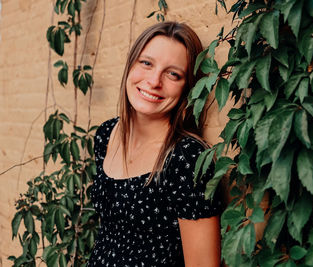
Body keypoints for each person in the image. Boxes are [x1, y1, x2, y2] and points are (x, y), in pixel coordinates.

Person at [88, 21, 222, 267]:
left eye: (173, 74)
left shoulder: (186, 158)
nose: (154, 81)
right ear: (131, 65)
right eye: (146, 63)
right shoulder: (107, 134)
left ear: (187, 87)